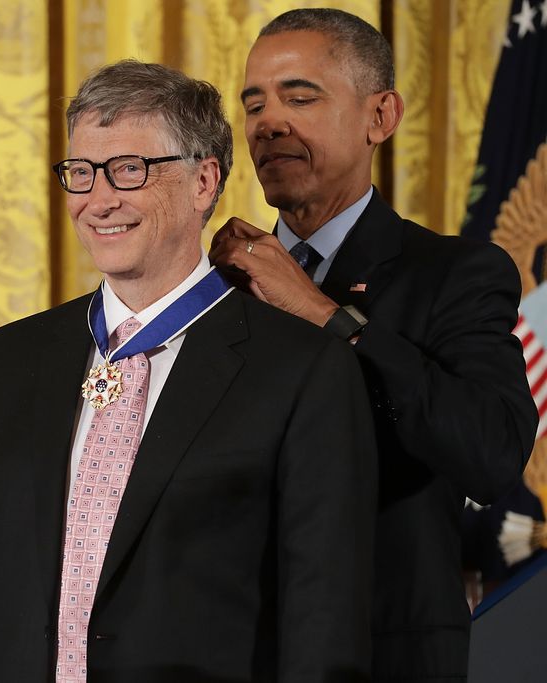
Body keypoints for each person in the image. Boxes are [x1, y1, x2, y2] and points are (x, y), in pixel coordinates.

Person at [0, 60, 377, 682]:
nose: (99, 201)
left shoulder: (302, 369)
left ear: (204, 181)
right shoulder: (10, 357)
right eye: (81, 173)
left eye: (129, 170)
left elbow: (324, 622)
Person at [209, 9, 539, 681]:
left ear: (380, 117)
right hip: (224, 652)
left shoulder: (455, 275)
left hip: (385, 654)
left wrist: (322, 312)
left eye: (300, 96)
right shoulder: (212, 287)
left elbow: (491, 453)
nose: (268, 122)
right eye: (253, 104)